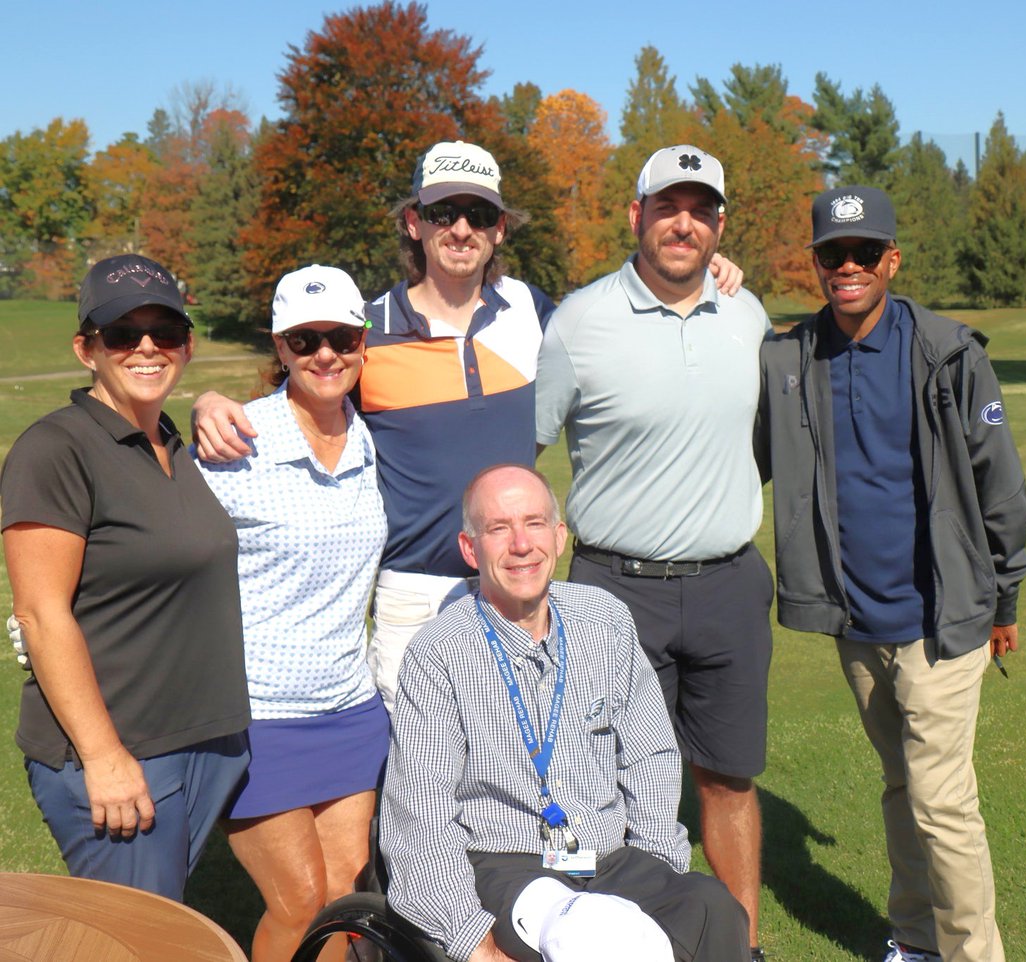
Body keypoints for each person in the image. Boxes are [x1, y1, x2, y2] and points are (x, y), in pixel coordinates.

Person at [191, 140, 744, 713]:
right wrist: (210, 402)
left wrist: (700, 273)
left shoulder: (532, 310)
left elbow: (624, 320)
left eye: (478, 215)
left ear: (500, 229)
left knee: (519, 779)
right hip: (413, 594)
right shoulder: (366, 329)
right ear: (414, 223)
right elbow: (300, 397)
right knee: (418, 782)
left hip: (515, 584)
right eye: (441, 213)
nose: (460, 229)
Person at [756, 186, 1026, 962]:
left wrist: (1006, 596)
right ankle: (914, 941)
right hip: (857, 626)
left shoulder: (948, 352)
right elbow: (745, 457)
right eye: (832, 254)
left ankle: (974, 955)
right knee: (904, 790)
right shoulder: (790, 356)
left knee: (943, 804)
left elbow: (1000, 488)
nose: (848, 267)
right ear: (814, 263)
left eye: (864, 253)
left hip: (942, 620)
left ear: (892, 260)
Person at [535, 145, 773, 959]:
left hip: (729, 586)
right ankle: (603, 941)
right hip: (612, 587)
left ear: (719, 226)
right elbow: (524, 449)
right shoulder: (578, 321)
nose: (683, 223)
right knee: (600, 780)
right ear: (634, 216)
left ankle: (737, 944)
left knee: (729, 778)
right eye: (667, 206)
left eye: (700, 209)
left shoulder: (747, 312)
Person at [379, 464, 749, 962]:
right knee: (588, 936)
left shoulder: (604, 619)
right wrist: (473, 944)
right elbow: (418, 816)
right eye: (498, 528)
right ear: (471, 549)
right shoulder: (439, 654)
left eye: (534, 523)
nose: (520, 545)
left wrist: (655, 857)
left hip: (611, 858)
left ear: (558, 537)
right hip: (506, 867)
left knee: (713, 908)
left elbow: (650, 754)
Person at [0, 254, 250, 901]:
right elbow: (39, 613)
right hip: (122, 756)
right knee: (138, 943)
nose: (146, 347)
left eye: (164, 332)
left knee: (154, 930)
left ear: (187, 346)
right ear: (87, 349)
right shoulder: (56, 449)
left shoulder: (173, 444)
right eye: (121, 333)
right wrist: (105, 757)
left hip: (202, 745)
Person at [195, 265, 389, 962]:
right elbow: (157, 536)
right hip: (261, 714)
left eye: (339, 335)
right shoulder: (236, 444)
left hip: (351, 709)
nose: (325, 354)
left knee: (342, 897)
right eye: (305, 340)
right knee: (298, 900)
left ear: (363, 340)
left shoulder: (372, 439)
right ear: (279, 348)